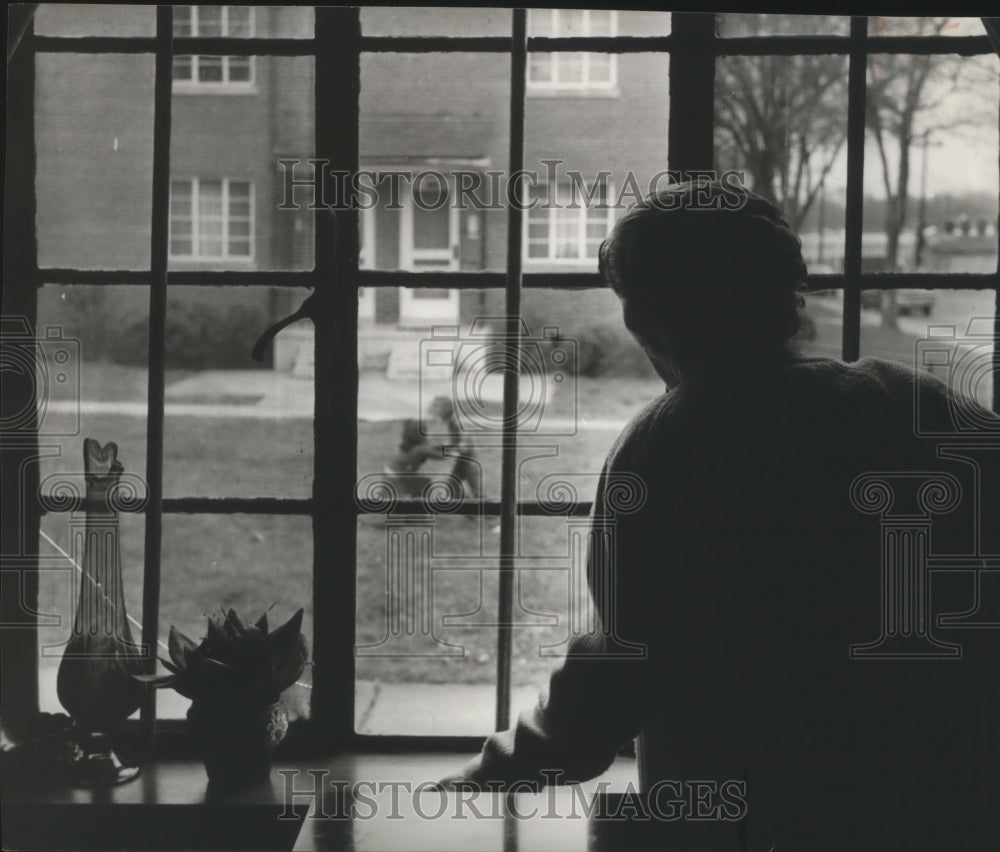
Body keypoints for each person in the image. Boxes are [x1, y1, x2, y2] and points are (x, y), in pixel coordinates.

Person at [438, 181, 1000, 850]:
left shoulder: (668, 444)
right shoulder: (913, 403)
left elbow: (620, 669)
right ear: (791, 296)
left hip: (748, 818)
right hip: (941, 804)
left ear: (647, 319)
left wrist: (495, 770)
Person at [429, 395, 482, 501]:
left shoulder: (456, 422)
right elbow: (456, 442)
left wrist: (445, 449)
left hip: (469, 461)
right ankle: (469, 509)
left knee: (476, 492)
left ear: (445, 409)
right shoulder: (451, 422)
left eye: (437, 407)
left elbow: (464, 445)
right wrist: (442, 447)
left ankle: (489, 512)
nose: (434, 410)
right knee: (452, 486)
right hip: (463, 461)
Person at [383, 418, 439, 498]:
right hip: (397, 481)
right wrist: (457, 451)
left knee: (421, 482)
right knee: (425, 482)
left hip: (388, 476)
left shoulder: (405, 445)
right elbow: (439, 455)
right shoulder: (420, 449)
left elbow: (429, 449)